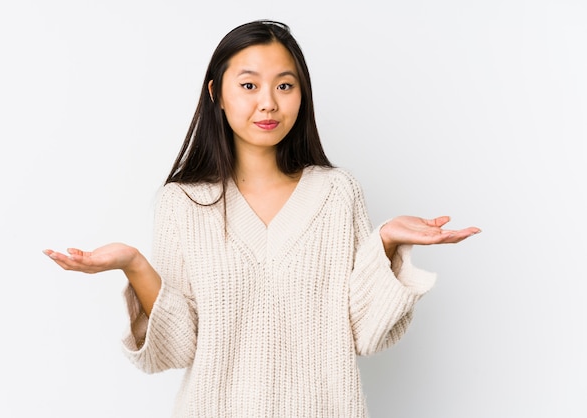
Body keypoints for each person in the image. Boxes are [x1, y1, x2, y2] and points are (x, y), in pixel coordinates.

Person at [43, 19, 480, 417]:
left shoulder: (336, 193)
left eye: (284, 86)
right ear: (215, 92)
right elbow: (178, 346)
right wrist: (134, 263)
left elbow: (366, 335)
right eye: (249, 86)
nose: (268, 103)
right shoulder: (184, 203)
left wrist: (383, 244)